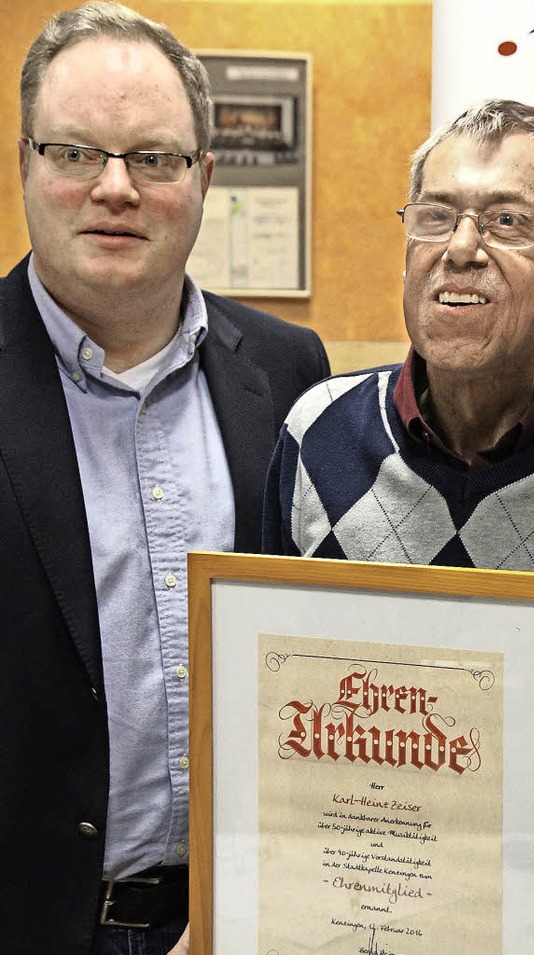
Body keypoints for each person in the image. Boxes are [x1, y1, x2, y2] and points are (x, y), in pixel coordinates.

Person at [263, 99, 534, 955]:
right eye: (435, 215)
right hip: (342, 923)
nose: (460, 247)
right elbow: (267, 707)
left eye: (507, 220)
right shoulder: (316, 433)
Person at [0, 3, 329, 953]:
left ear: (205, 178)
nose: (115, 189)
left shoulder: (290, 369)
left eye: (153, 158)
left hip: (247, 921)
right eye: (74, 154)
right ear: (27, 163)